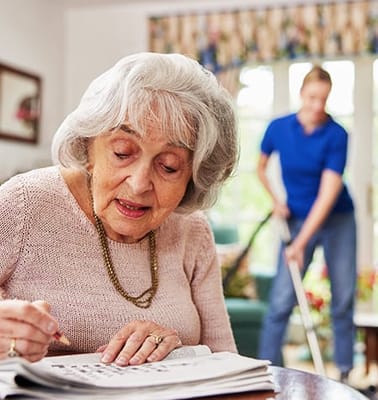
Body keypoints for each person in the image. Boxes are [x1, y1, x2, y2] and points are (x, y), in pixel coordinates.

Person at [0, 52, 239, 365]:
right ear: (88, 147)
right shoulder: (26, 202)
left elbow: (228, 364)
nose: (140, 183)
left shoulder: (192, 230)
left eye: (168, 167)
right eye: (123, 152)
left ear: (193, 178)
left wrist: (178, 350)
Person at [257, 65, 356, 382]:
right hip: (297, 216)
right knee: (281, 300)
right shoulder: (279, 128)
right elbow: (260, 167)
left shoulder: (337, 135)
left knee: (342, 297)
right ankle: (266, 373)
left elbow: (327, 196)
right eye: (312, 97)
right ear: (302, 93)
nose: (317, 106)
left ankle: (344, 375)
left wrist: (299, 245)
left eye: (324, 99)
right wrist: (276, 199)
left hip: (337, 218)